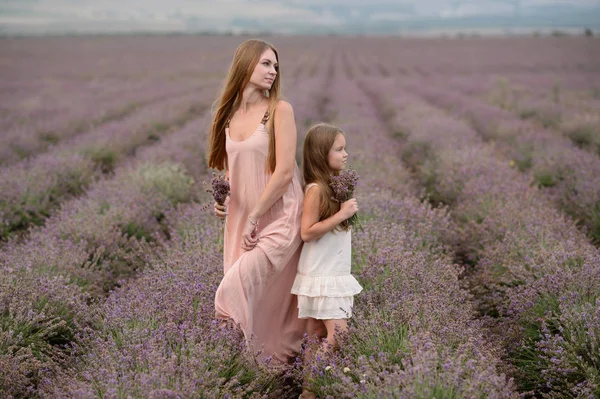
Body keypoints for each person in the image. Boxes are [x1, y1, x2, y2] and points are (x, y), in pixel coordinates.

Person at [208, 39, 307, 364]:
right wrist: (222, 201)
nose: (273, 71)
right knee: (261, 303)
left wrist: (255, 216)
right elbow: (232, 172)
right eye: (266, 63)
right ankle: (257, 370)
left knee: (231, 291)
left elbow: (282, 173)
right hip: (242, 221)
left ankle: (223, 361)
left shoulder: (279, 110)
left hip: (279, 216)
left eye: (275, 66)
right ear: (245, 64)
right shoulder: (229, 117)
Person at [291, 123, 363, 398]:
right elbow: (307, 232)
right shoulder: (316, 190)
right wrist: (342, 214)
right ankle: (310, 391)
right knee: (338, 336)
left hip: (329, 271)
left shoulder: (333, 186)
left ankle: (308, 391)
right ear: (322, 153)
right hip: (323, 275)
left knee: (316, 337)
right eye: (339, 149)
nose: (346, 154)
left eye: (345, 148)